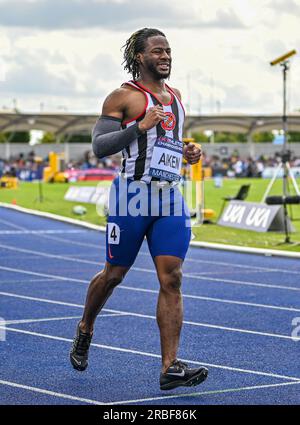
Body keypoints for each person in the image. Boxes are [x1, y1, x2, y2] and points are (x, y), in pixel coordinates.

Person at [70, 28, 208, 391]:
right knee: (113, 275)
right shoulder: (123, 97)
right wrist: (138, 127)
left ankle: (170, 367)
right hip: (131, 197)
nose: (166, 56)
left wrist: (188, 152)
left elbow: (168, 142)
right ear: (140, 57)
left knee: (172, 277)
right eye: (158, 51)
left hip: (168, 198)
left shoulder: (175, 97)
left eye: (168, 51)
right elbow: (100, 146)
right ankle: (85, 327)